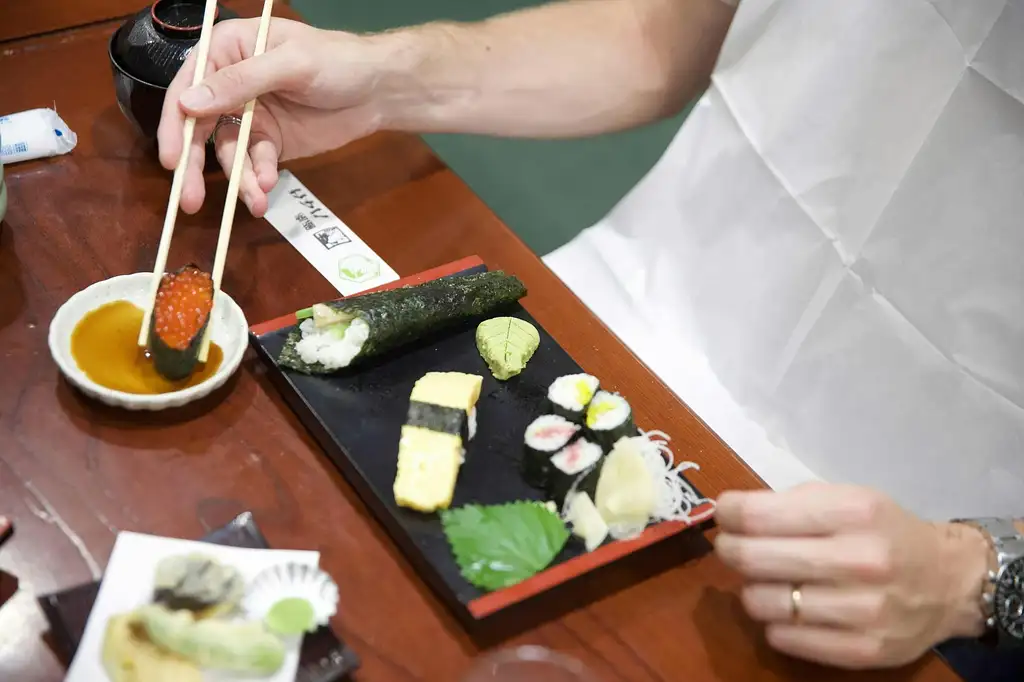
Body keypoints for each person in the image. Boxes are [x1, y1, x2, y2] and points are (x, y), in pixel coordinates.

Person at [157, 0, 1024, 674]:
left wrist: (979, 572)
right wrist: (381, 77)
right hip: (614, 324)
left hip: (912, 548)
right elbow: (654, 38)